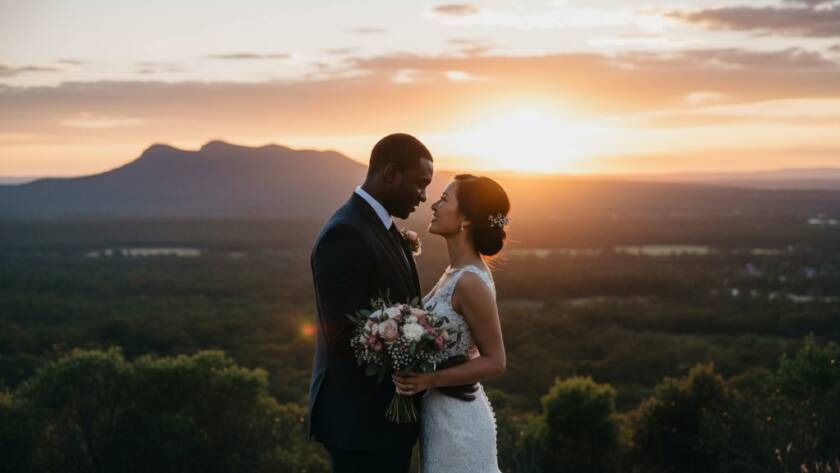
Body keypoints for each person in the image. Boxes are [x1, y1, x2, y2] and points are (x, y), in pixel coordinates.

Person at [308, 133, 433, 473]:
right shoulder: (346, 232)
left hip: (386, 425)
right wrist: (413, 348)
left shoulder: (382, 227)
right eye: (420, 184)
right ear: (391, 173)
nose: (424, 196)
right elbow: (344, 333)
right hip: (362, 424)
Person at [393, 174, 511, 473]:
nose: (434, 205)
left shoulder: (470, 281)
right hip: (440, 417)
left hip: (460, 426)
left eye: (444, 199)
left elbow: (496, 361)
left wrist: (429, 380)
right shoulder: (454, 271)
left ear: (467, 219)